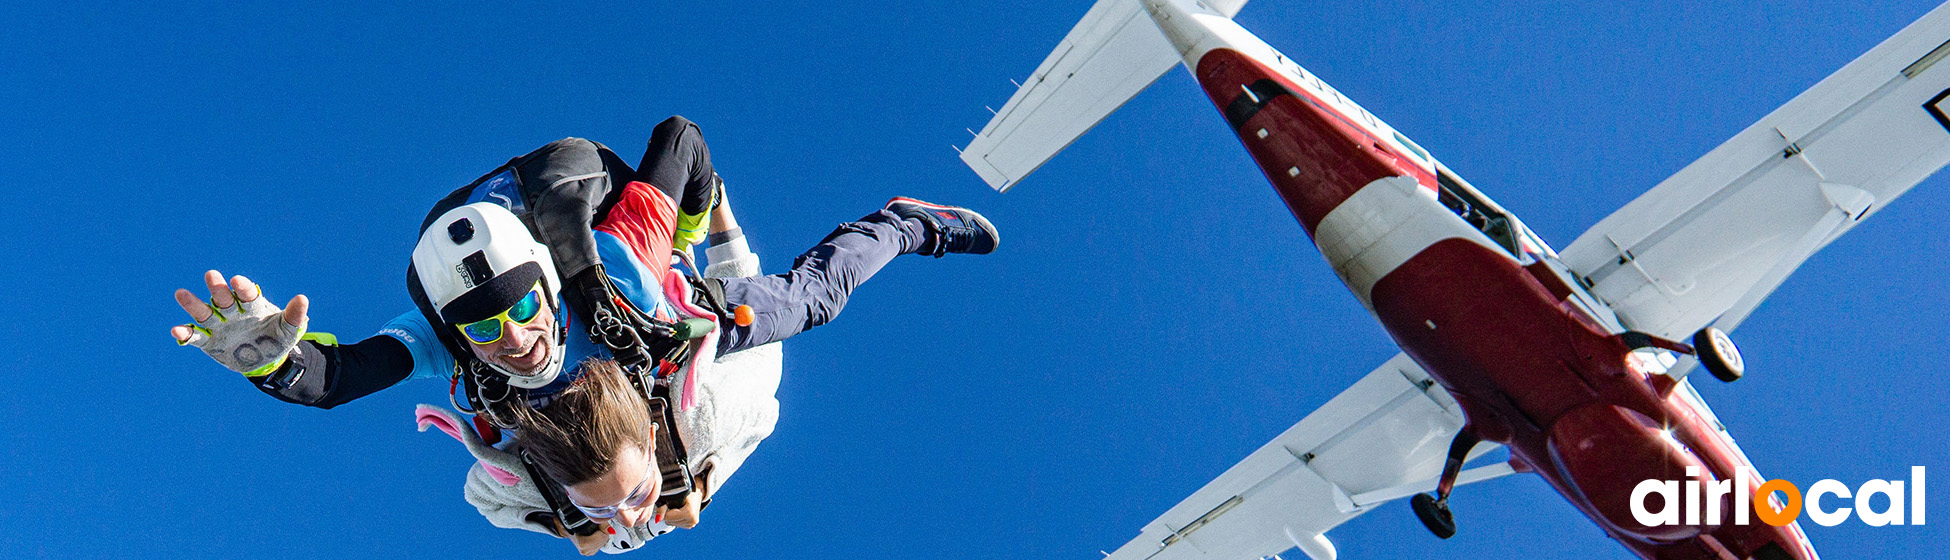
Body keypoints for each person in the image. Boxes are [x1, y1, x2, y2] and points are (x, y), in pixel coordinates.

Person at [170, 116, 998, 552]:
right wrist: (273, 363)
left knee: (808, 302)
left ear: (548, 289)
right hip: (532, 259)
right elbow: (341, 378)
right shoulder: (444, 333)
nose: (515, 340)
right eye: (484, 329)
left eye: (524, 311)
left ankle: (902, 222)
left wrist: (693, 225)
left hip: (597, 217)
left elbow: (681, 136)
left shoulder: (628, 273)